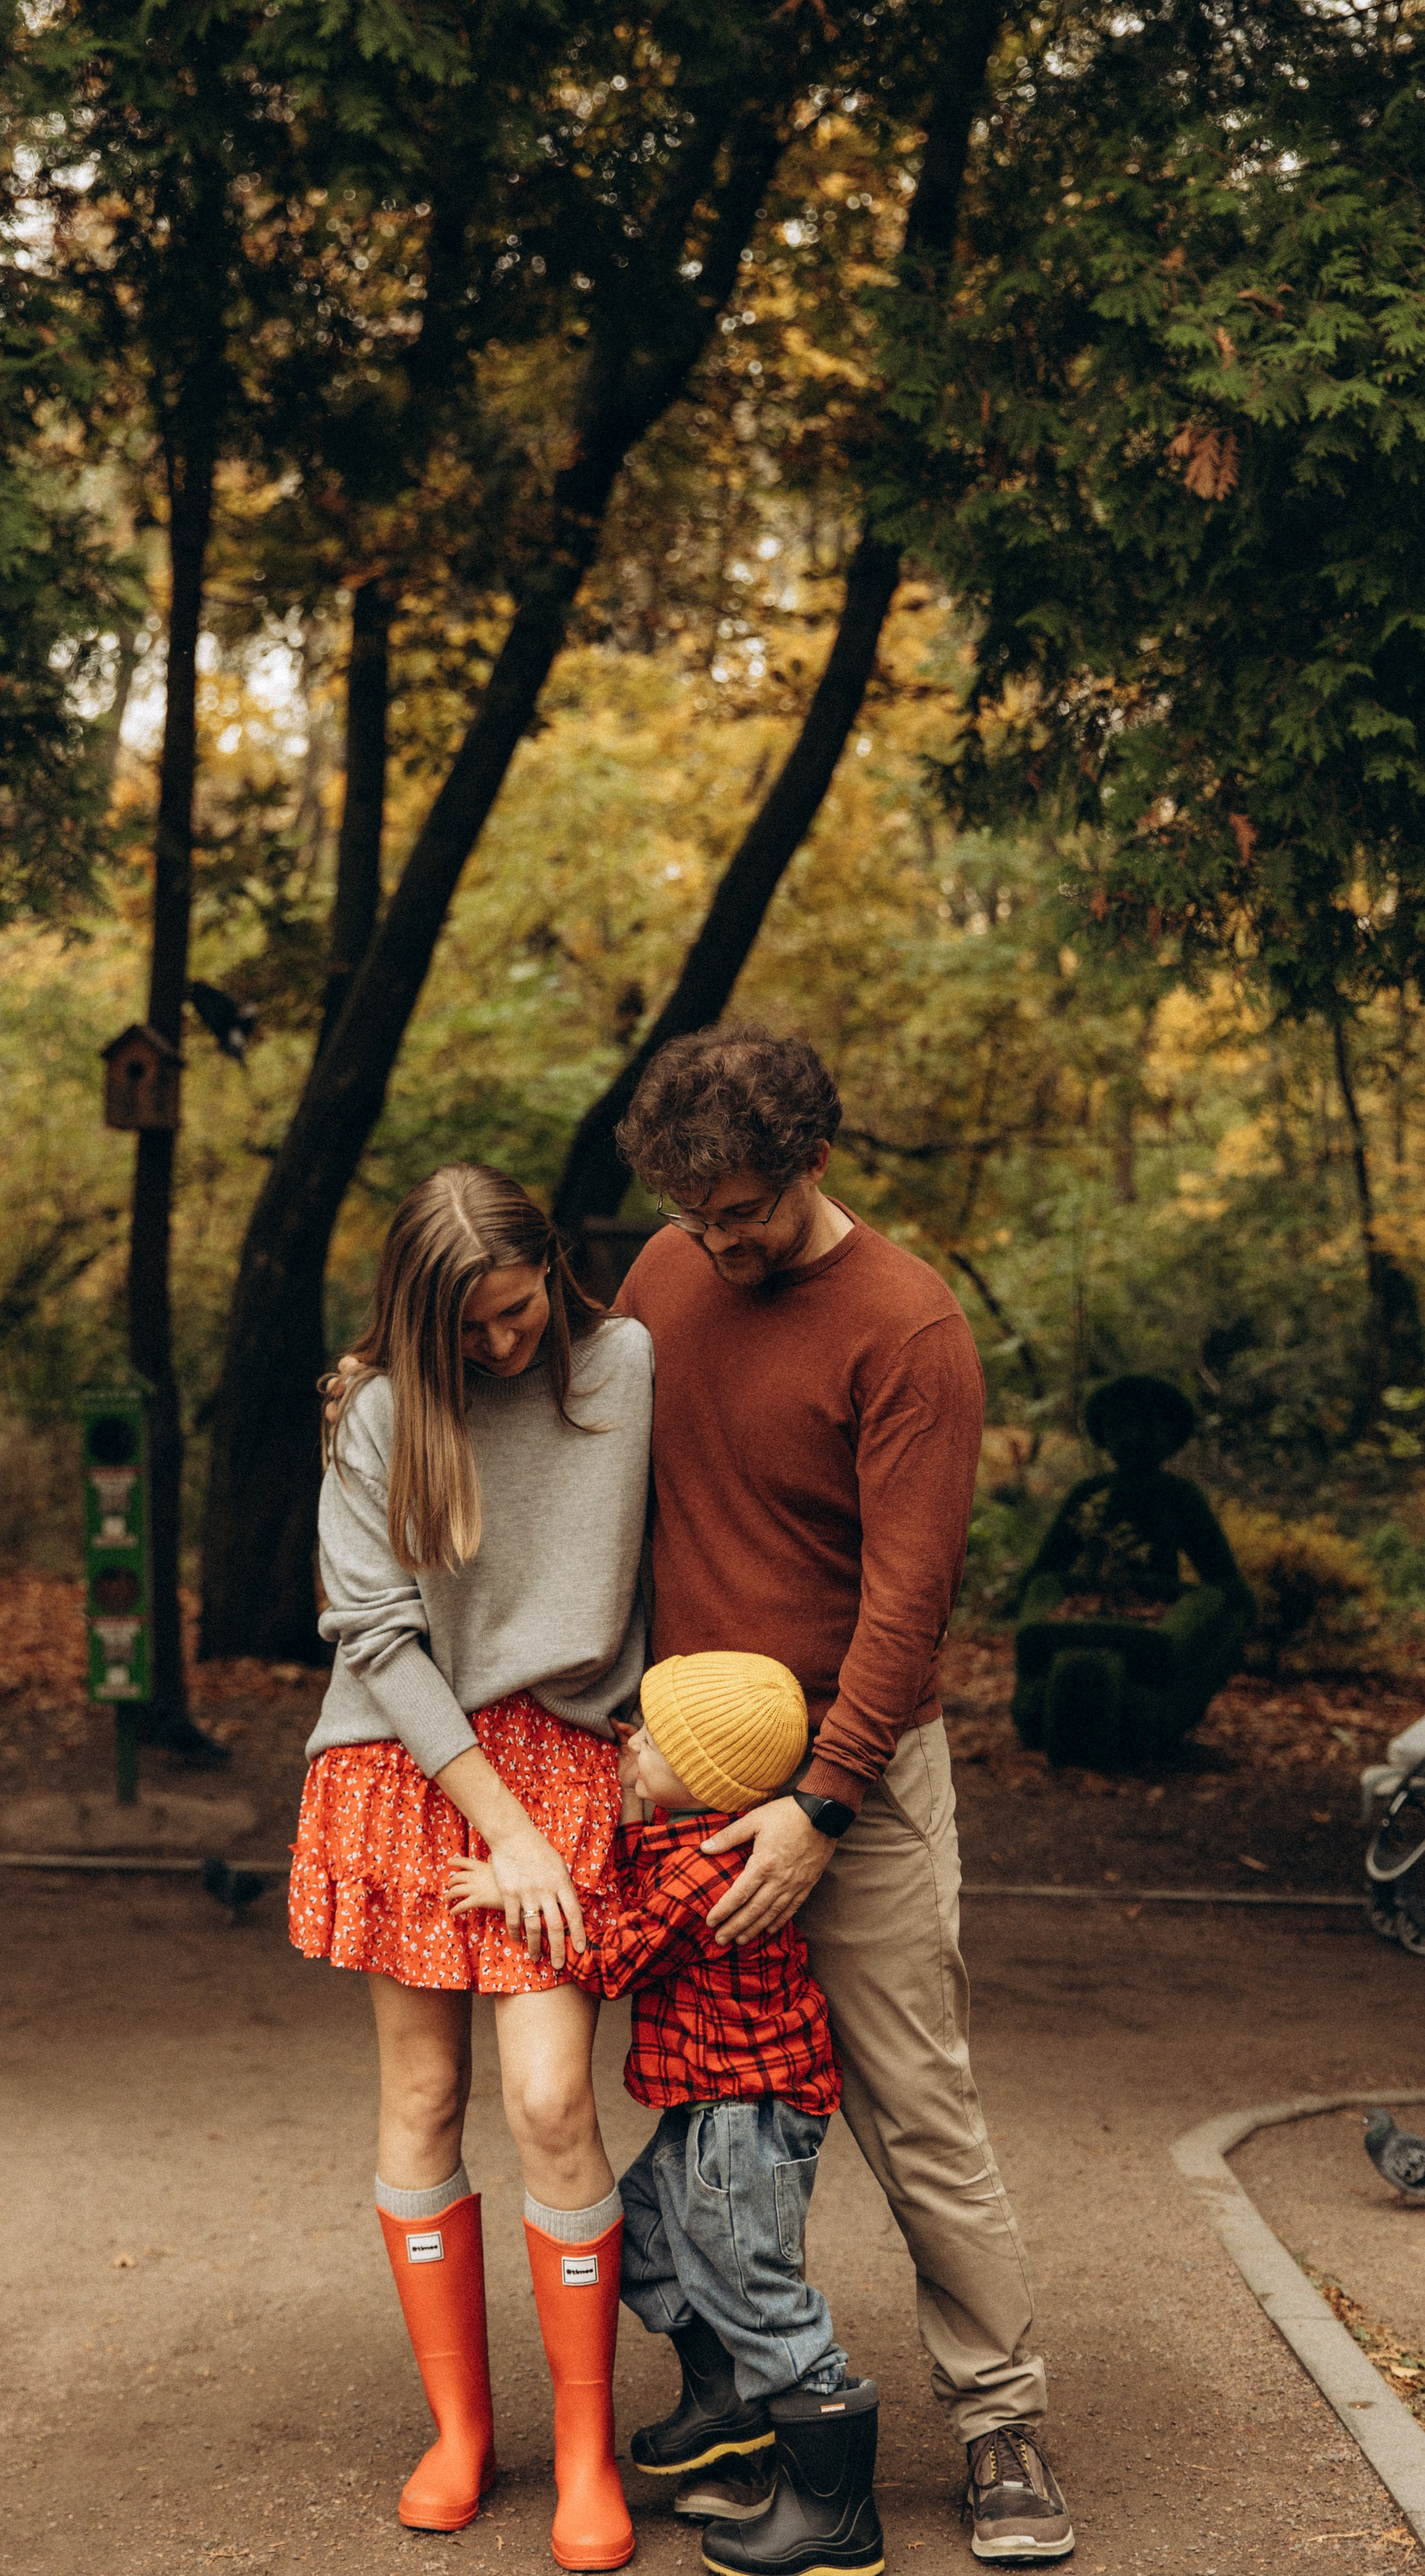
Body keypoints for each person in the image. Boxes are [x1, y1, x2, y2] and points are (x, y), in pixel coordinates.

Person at [611, 1023, 1074, 2567]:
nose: (716, 1240)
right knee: (703, 2103)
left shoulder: (905, 1329)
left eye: (739, 1208)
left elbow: (905, 1602)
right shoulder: (664, 1277)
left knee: (908, 2098)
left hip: (851, 1776)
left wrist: (818, 1807)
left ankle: (999, 2420)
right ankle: (746, 2394)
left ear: (810, 1160)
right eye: (692, 1212)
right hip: (685, 1769)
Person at [288, 1163, 650, 2573]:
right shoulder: (381, 1410)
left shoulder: (624, 1365)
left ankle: (581, 2450)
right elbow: (373, 1637)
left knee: (552, 2094)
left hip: (565, 1753)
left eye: (512, 1316)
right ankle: (457, 2432)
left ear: (550, 1272)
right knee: (424, 2092)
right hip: (407, 1749)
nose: (499, 1349)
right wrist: (493, 1820)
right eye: (470, 1333)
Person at [450, 1649, 885, 2576]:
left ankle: (832, 2513)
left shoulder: (706, 1869)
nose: (629, 1739)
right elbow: (647, 1869)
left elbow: (611, 1957)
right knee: (644, 2230)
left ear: (710, 1782)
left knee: (755, 2285)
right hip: (710, 2104)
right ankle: (725, 2409)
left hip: (748, 2114)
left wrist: (511, 1893)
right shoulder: (692, 1839)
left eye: (654, 1738)